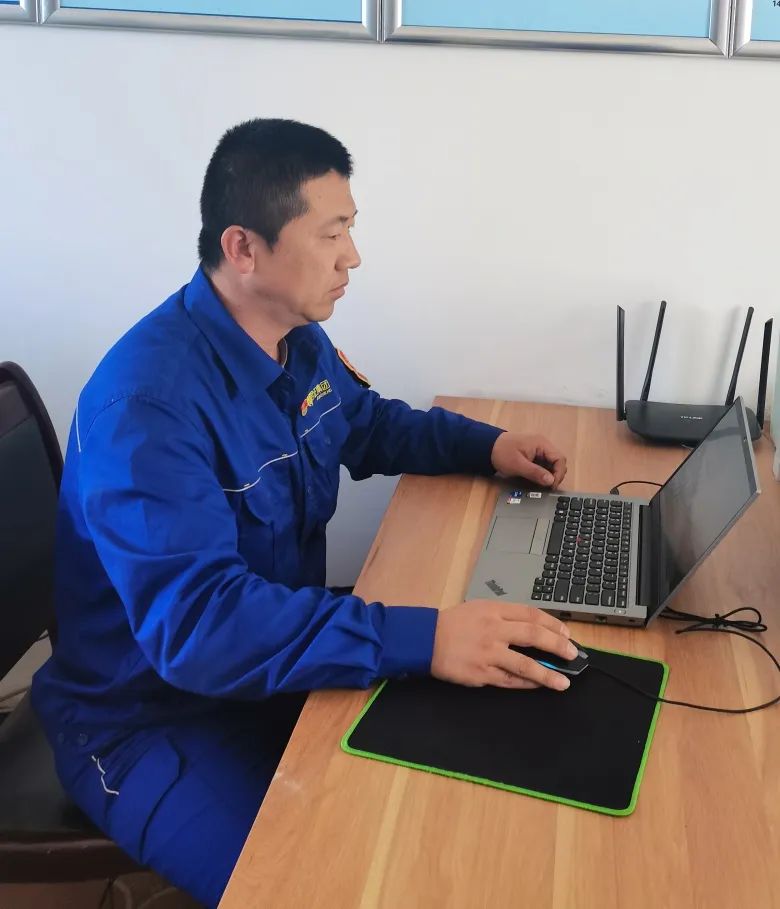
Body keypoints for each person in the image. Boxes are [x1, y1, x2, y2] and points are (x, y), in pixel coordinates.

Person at [32, 118, 575, 907]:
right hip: (148, 721)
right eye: (331, 234)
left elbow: (367, 423)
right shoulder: (145, 408)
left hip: (269, 667)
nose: (352, 256)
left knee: (466, 774)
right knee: (320, 884)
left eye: (350, 228)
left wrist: (488, 446)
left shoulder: (295, 338)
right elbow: (201, 627)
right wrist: (425, 636)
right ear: (244, 248)